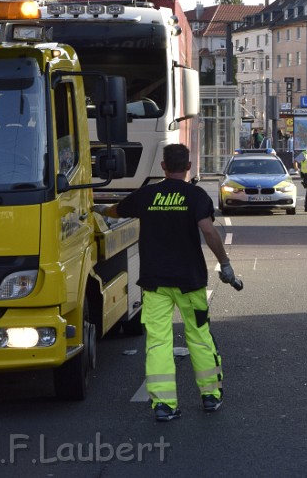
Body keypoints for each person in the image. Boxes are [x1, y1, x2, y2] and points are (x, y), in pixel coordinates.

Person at [95, 144, 232, 422]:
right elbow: (208, 230)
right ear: (188, 167)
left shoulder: (148, 195)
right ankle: (210, 396)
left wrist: (99, 209)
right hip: (189, 282)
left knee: (158, 340)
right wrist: (225, 264)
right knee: (199, 336)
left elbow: (118, 210)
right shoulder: (196, 196)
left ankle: (164, 405)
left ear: (163, 166)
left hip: (155, 282)